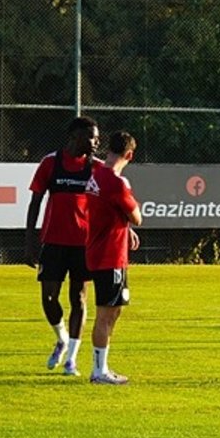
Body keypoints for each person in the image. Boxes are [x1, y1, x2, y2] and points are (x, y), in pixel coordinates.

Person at [25, 116, 100, 376]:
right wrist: (29, 241)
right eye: (92, 137)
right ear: (75, 137)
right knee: (48, 297)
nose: (96, 142)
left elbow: (112, 201)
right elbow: (35, 203)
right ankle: (62, 339)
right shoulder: (51, 163)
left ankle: (72, 360)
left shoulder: (97, 168)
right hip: (53, 243)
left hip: (83, 245)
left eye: (98, 138)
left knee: (78, 298)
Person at [84, 131, 142, 385]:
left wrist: (125, 229)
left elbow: (109, 212)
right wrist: (130, 223)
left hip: (99, 250)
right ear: (129, 155)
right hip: (110, 255)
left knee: (114, 311)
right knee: (106, 314)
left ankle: (102, 367)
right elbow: (137, 216)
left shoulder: (96, 176)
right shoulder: (117, 183)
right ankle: (99, 371)